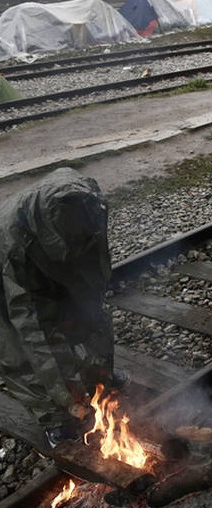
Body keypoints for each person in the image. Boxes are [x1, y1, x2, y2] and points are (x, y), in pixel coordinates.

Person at [0, 168, 115, 448]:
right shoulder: (15, 241)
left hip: (44, 257)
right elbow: (36, 329)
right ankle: (53, 417)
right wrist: (70, 398)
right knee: (16, 352)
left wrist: (101, 370)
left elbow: (93, 287)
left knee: (84, 314)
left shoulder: (89, 203)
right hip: (6, 271)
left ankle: (95, 379)